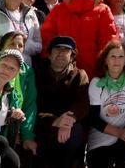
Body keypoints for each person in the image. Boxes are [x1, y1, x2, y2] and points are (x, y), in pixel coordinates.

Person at [41, 0, 119, 74]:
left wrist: (104, 66)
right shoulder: (59, 9)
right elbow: (47, 36)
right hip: (61, 69)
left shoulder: (103, 10)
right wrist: (50, 59)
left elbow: (108, 40)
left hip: (93, 69)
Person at [34, 35, 90, 168]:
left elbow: (83, 103)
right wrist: (54, 120)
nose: (60, 53)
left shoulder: (79, 75)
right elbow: (33, 104)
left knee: (75, 133)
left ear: (72, 56)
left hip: (68, 128)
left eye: (66, 50)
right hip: (42, 123)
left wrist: (68, 119)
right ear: (49, 55)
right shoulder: (37, 73)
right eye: (56, 49)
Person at [86, 40, 125, 168]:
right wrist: (119, 133)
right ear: (105, 60)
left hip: (124, 141)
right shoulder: (97, 83)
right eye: (113, 56)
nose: (117, 60)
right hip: (100, 142)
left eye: (121, 56)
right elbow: (93, 119)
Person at [0, 31, 39, 159]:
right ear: (2, 47)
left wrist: (26, 135)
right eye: (12, 44)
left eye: (20, 45)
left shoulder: (26, 72)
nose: (16, 48)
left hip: (10, 128)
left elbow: (29, 105)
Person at [0, 48, 28, 168]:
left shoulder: (11, 94)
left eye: (12, 68)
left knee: (13, 161)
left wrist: (14, 114)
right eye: (4, 64)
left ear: (17, 73)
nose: (6, 70)